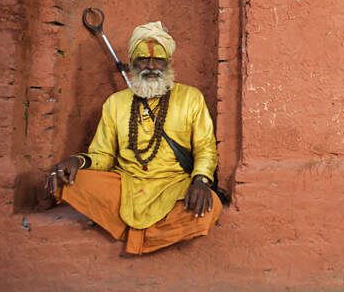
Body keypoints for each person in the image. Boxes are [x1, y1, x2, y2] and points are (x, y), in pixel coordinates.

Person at [46, 21, 222, 254]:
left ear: (168, 62)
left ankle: (132, 233)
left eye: (158, 59)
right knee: (67, 182)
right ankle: (148, 234)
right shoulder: (116, 103)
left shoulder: (191, 98)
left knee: (210, 207)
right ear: (132, 63)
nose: (151, 66)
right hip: (126, 184)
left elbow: (205, 148)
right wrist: (76, 161)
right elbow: (103, 156)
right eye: (143, 59)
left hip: (173, 185)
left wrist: (200, 182)